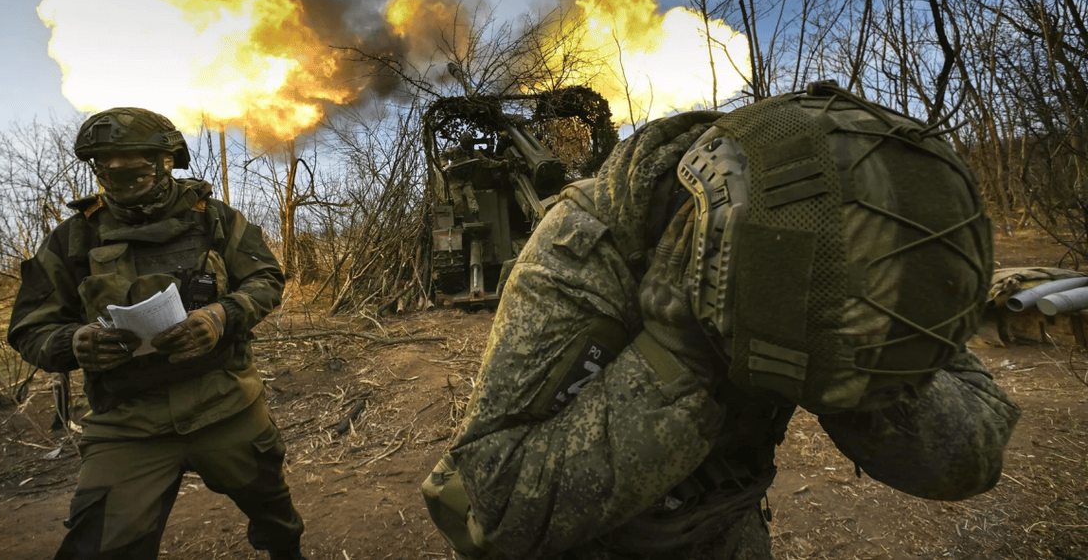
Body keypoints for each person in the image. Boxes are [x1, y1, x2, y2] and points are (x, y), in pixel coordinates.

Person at [423, 81, 1022, 560]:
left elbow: (969, 454)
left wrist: (845, 365)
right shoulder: (584, 246)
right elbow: (488, 507)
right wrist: (678, 354)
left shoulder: (851, 232)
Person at [8, 107, 307, 560]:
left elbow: (265, 279)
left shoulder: (217, 220)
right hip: (128, 424)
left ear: (167, 162)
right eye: (104, 166)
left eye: (132, 166)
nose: (117, 176)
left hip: (224, 405)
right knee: (99, 548)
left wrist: (220, 317)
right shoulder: (73, 240)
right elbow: (29, 327)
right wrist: (75, 343)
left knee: (275, 515)